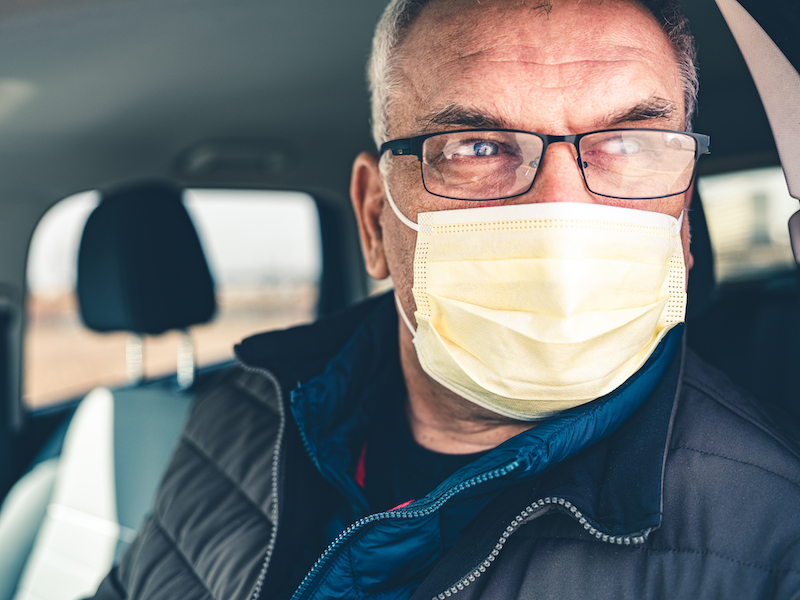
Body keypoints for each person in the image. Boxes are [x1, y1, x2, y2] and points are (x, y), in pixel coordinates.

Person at [92, 0, 800, 598]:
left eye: (630, 143)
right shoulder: (243, 414)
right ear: (374, 219)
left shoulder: (769, 539)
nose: (560, 209)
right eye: (477, 147)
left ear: (681, 227)